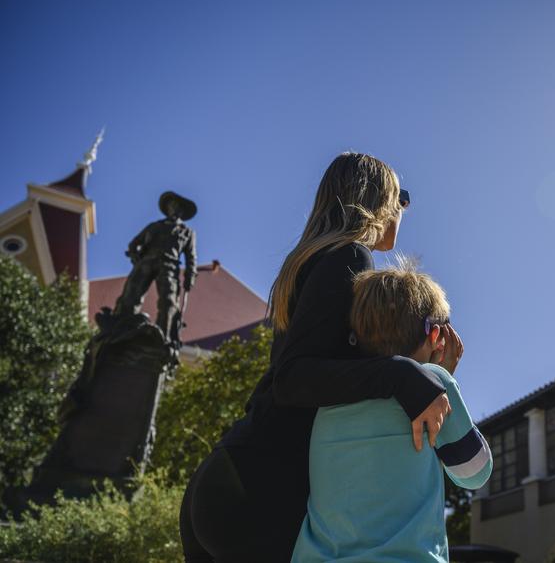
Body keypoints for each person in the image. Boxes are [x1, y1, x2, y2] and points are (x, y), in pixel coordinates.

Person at [179, 153, 457, 562]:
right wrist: (405, 374)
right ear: (378, 199)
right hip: (261, 491)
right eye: (402, 197)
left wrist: (427, 373)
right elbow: (293, 378)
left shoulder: (310, 261)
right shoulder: (350, 256)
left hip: (233, 472)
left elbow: (321, 375)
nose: (404, 209)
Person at [292, 261, 492, 562]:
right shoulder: (434, 382)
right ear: (436, 336)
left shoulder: (331, 392)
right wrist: (445, 381)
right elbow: (474, 473)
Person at [114, 191, 197, 345]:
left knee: (169, 302)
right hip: (146, 263)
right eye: (171, 206)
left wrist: (190, 276)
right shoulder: (154, 226)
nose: (174, 209)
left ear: (182, 212)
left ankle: (162, 338)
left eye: (177, 206)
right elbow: (134, 244)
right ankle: (121, 330)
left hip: (169, 266)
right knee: (131, 295)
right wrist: (136, 259)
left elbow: (191, 257)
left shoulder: (187, 232)